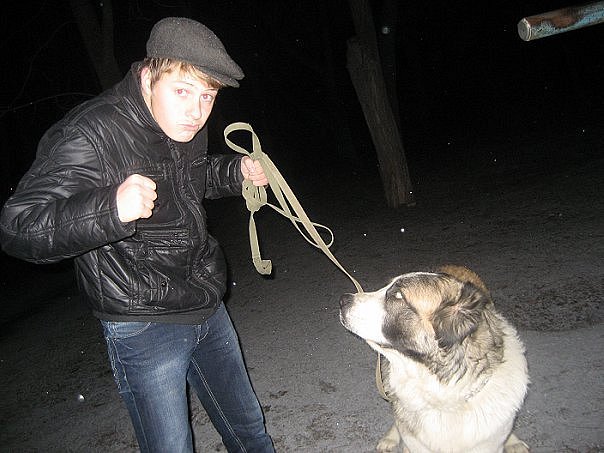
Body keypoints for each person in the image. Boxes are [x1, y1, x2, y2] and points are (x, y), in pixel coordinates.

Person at [0, 17, 275, 453]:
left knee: (250, 433)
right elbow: (19, 226)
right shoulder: (91, 132)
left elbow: (191, 178)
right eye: (182, 91)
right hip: (143, 322)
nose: (196, 111)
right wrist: (110, 208)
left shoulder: (184, 123)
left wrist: (235, 171)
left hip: (204, 301)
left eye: (207, 96)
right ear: (148, 77)